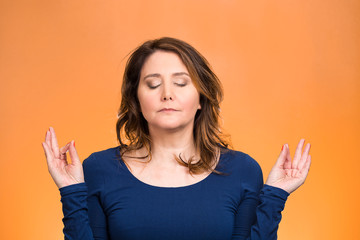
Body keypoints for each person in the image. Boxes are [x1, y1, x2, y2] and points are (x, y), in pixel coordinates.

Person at [42, 37, 312, 240]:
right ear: (136, 98)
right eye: (153, 84)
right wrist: (71, 191)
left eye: (181, 83)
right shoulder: (97, 169)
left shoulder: (242, 171)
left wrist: (275, 196)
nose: (167, 94)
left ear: (201, 98)